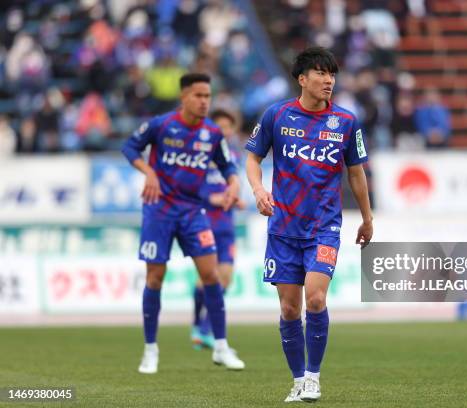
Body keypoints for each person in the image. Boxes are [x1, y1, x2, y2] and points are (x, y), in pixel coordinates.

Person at [245, 46, 374, 402]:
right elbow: (253, 157)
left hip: (324, 226)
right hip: (284, 227)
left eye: (331, 74)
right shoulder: (277, 115)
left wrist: (366, 217)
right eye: (320, 73)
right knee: (289, 308)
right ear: (302, 79)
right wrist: (257, 190)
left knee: (315, 298)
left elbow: (356, 173)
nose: (328, 80)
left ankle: (314, 377)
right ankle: (298, 379)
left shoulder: (346, 122)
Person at [121, 72, 245, 374]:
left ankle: (220, 346)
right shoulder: (162, 125)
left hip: (192, 213)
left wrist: (233, 184)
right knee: (154, 278)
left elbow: (228, 164)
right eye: (199, 96)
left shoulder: (213, 133)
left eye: (208, 96)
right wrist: (148, 172)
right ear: (184, 97)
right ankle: (150, 350)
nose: (204, 102)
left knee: (211, 276)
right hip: (159, 211)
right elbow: (129, 147)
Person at [191, 109, 246, 349]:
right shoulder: (198, 157)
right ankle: (201, 328)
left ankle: (201, 329)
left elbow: (233, 187)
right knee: (208, 280)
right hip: (204, 224)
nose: (224, 131)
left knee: (225, 279)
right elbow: (191, 190)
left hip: (226, 226)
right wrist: (212, 199)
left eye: (228, 127)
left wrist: (235, 199)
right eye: (219, 126)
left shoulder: (233, 157)